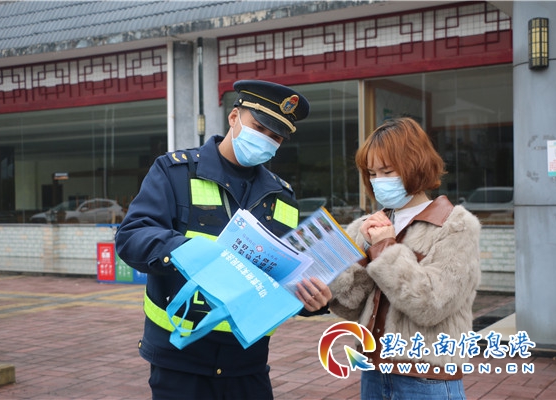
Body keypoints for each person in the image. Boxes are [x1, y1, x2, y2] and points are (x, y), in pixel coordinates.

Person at [115, 80, 332, 400]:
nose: (266, 140)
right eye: (259, 127)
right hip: (181, 361)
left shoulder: (283, 197)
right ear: (234, 117)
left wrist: (311, 301)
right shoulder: (175, 172)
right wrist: (192, 252)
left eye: (275, 137)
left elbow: (285, 276)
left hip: (248, 363)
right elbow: (132, 236)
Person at [329, 117, 481, 400]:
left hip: (427, 377)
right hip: (373, 371)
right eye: (372, 173)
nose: (378, 181)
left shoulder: (455, 225)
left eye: (387, 171)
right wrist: (352, 262)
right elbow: (347, 307)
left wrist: (385, 248)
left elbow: (432, 305)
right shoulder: (367, 225)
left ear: (416, 165)